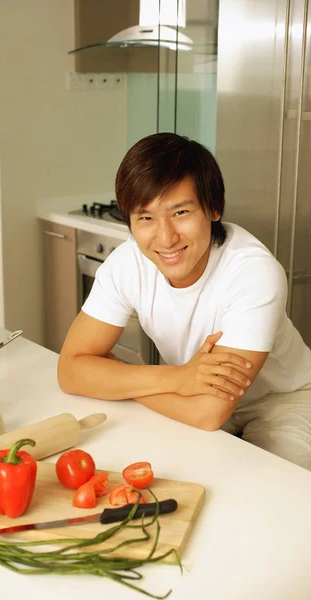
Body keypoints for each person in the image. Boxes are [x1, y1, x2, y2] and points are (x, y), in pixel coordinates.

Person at [58, 133, 311, 470]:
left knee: (275, 492)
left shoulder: (253, 272)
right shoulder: (126, 263)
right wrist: (177, 379)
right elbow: (70, 371)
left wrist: (117, 377)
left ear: (213, 208)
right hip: (187, 390)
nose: (165, 237)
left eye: (180, 212)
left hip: (282, 401)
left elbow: (208, 412)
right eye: (145, 218)